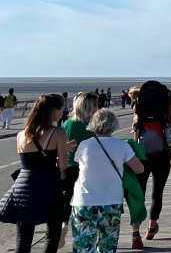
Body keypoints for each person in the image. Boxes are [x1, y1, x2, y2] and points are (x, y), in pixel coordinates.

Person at [0, 94, 67, 253]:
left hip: (24, 186)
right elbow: (63, 165)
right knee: (52, 234)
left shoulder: (21, 135)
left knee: (23, 237)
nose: (64, 111)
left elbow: (31, 161)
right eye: (62, 109)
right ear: (54, 111)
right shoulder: (58, 132)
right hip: (49, 186)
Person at [71, 109, 144, 253]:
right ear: (114, 125)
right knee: (107, 245)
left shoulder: (84, 145)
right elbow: (139, 169)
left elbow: (77, 162)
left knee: (82, 245)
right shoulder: (122, 146)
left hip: (84, 201)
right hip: (111, 201)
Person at [133, 81, 171, 243]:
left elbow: (136, 136)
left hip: (142, 157)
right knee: (157, 193)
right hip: (163, 156)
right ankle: (151, 228)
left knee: (139, 193)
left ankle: (136, 232)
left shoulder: (139, 112)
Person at [61, 92, 100, 248]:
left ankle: (64, 224)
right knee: (88, 203)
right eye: (96, 105)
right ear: (89, 107)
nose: (98, 107)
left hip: (68, 166)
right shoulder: (92, 124)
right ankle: (89, 234)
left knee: (67, 199)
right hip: (87, 168)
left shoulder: (68, 123)